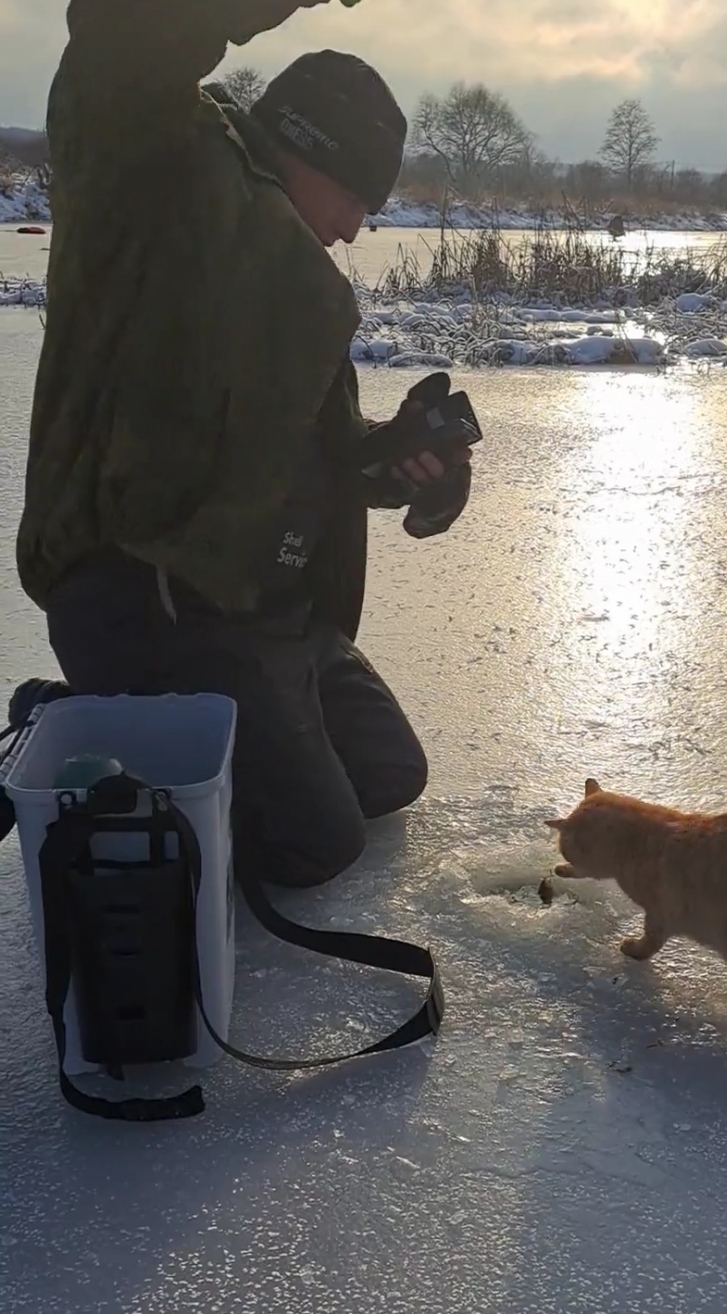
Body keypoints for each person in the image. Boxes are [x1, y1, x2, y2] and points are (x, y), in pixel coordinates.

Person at [14, 2, 476, 890]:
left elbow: (304, 450)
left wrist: (395, 459)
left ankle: (144, 722)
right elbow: (122, 30)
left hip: (275, 611)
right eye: (358, 200)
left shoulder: (288, 267)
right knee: (313, 845)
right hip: (154, 598)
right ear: (309, 151)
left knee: (389, 777)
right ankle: (86, 723)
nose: (355, 230)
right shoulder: (156, 171)